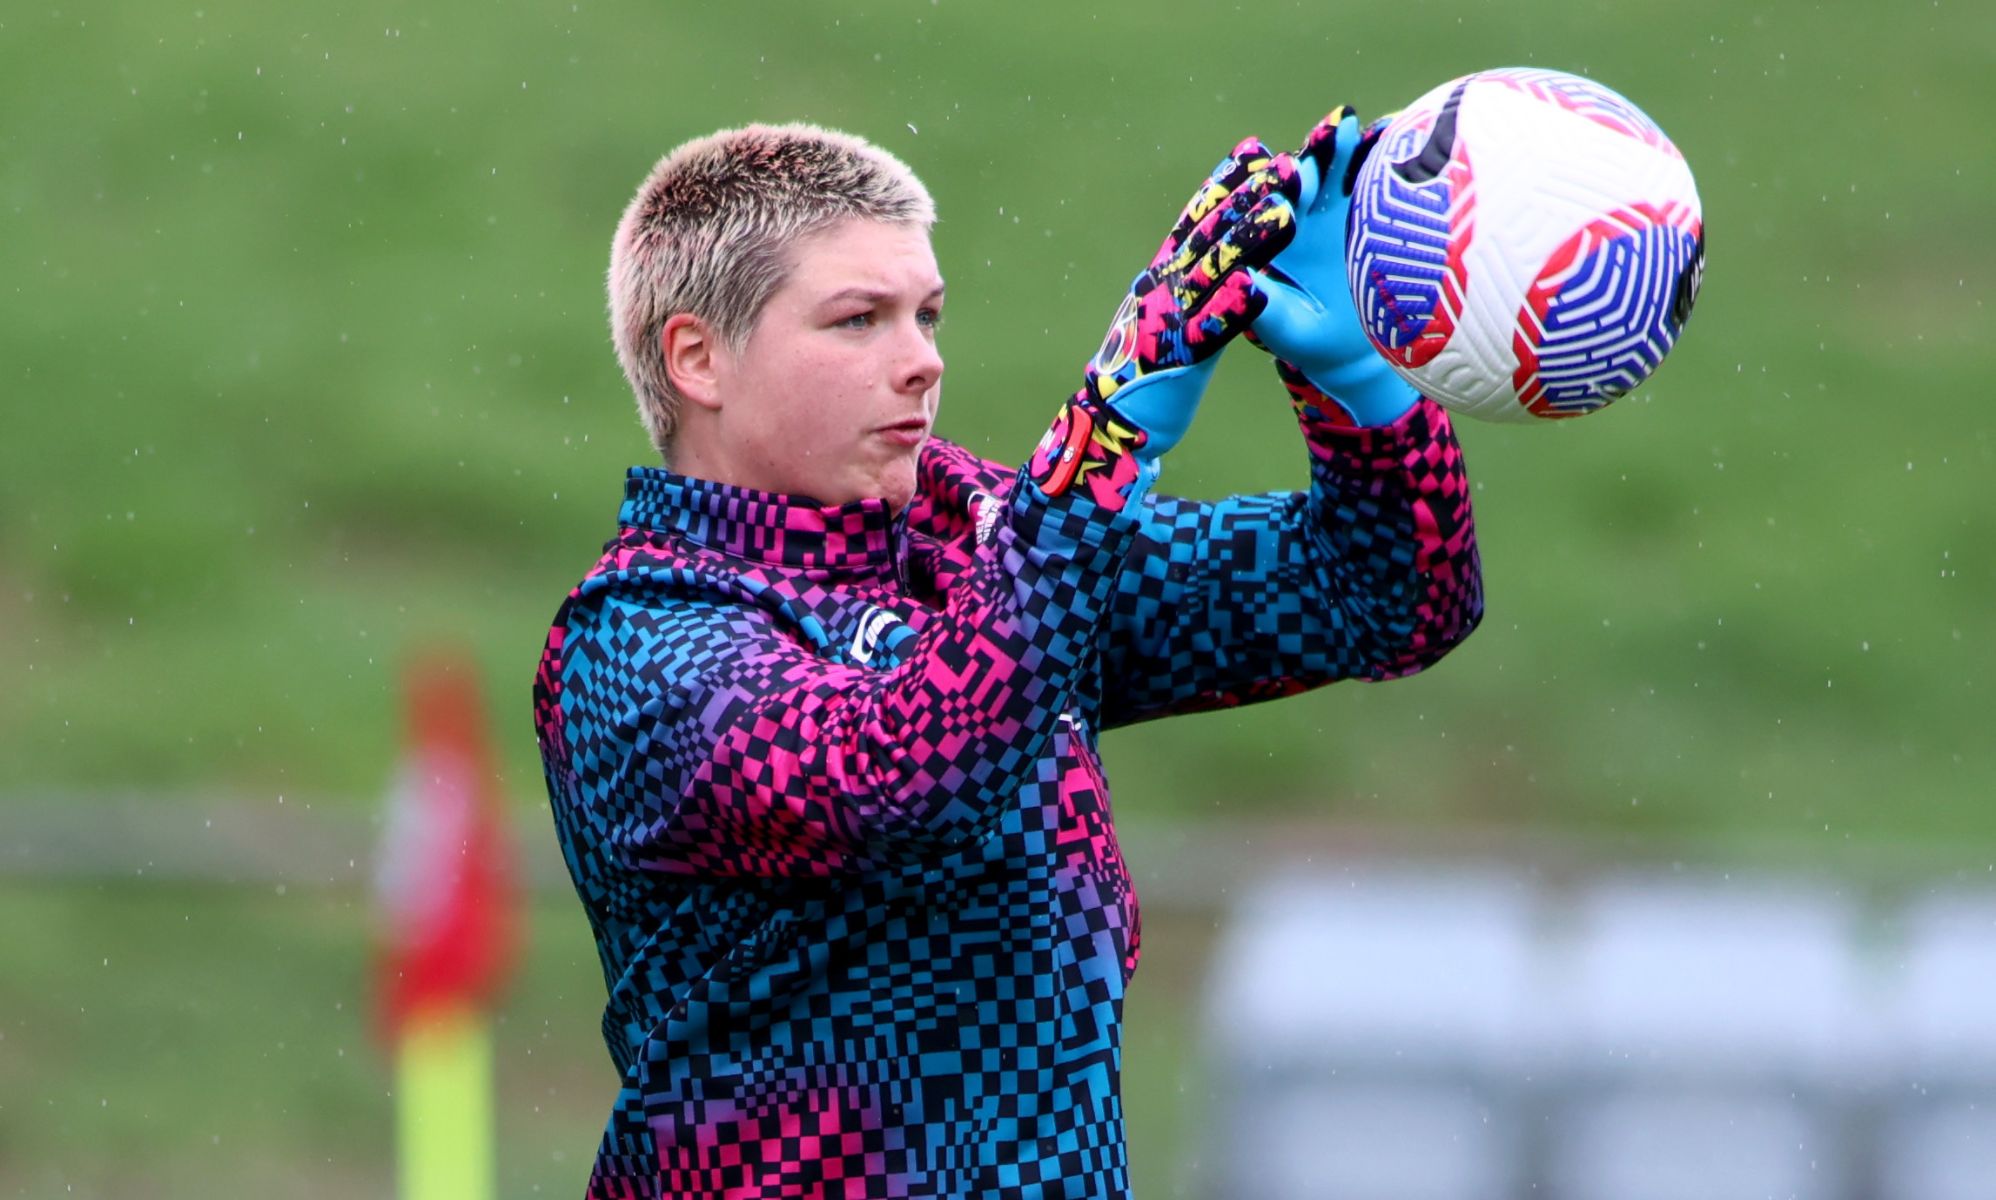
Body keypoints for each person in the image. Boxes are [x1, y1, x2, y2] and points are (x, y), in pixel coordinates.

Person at [533, 113, 1481, 1199]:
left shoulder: (977, 538)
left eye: (926, 314)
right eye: (858, 321)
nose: (920, 360)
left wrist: (1355, 381)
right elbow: (896, 778)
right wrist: (1101, 451)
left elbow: (1388, 599)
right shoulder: (633, 641)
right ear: (697, 358)